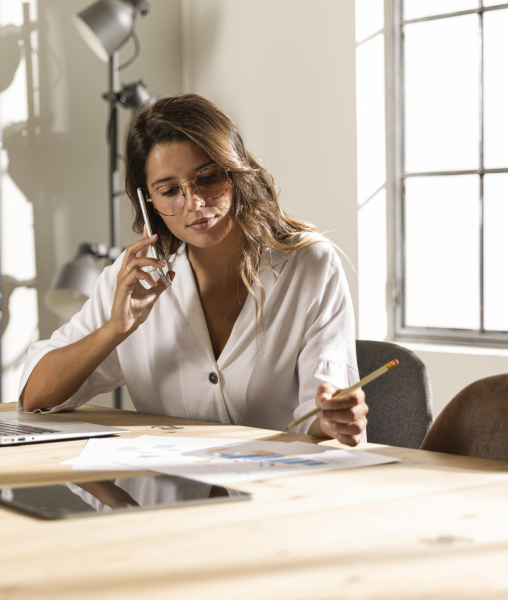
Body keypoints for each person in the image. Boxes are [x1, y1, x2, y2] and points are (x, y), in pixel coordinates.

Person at [19, 93, 367, 447]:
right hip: (167, 494)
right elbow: (34, 397)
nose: (194, 203)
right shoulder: (134, 280)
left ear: (235, 171)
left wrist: (333, 419)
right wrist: (115, 329)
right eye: (170, 190)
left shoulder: (309, 266)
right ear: (148, 202)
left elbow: (321, 413)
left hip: (276, 489)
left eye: (209, 177)